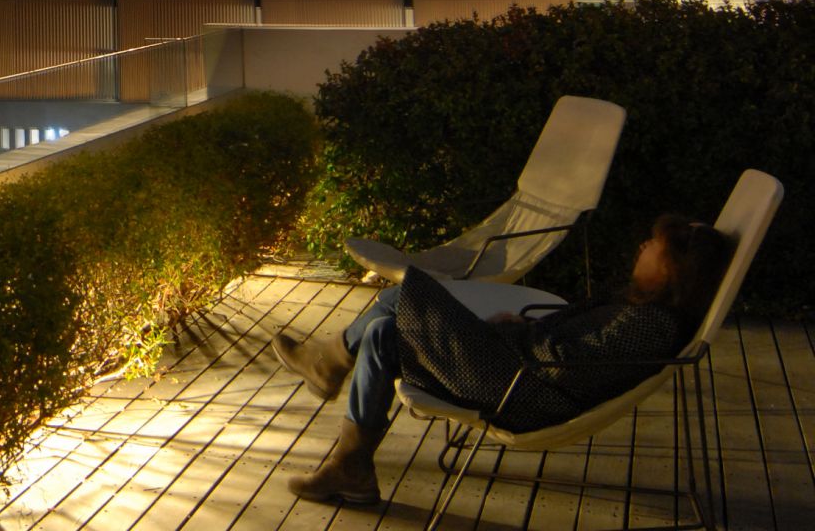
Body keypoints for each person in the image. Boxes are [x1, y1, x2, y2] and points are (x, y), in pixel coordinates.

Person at [276, 214, 732, 505]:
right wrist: (515, 326)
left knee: (402, 294)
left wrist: (511, 335)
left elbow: (566, 364)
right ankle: (352, 469)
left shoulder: (653, 323)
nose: (643, 248)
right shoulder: (638, 307)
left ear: (674, 269)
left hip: (524, 390)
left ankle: (328, 364)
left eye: (654, 247)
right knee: (382, 334)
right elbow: (570, 340)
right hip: (514, 368)